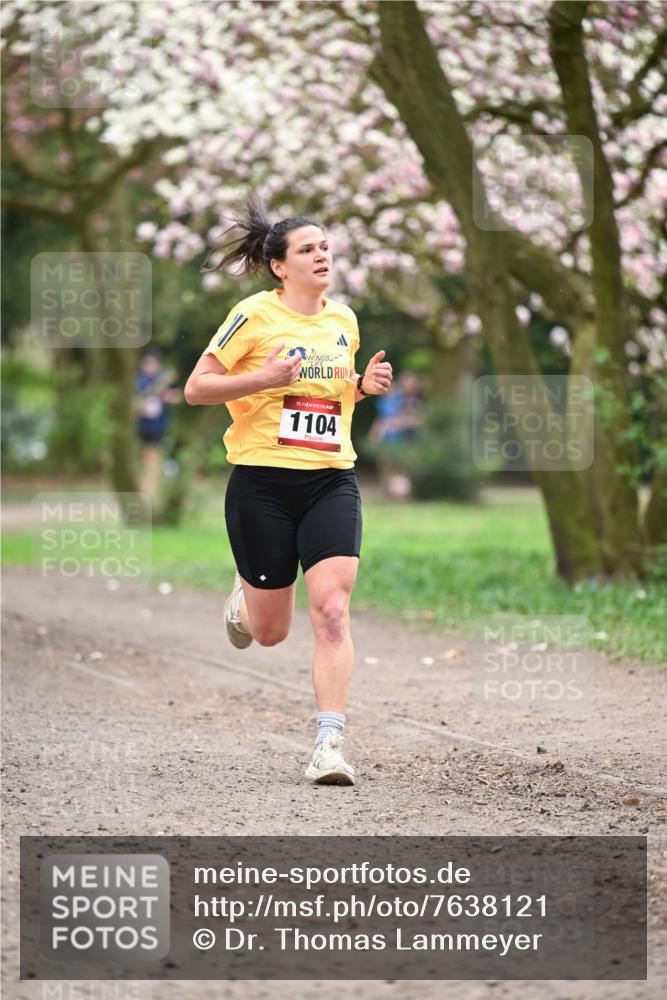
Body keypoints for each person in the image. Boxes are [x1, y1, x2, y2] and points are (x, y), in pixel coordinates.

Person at [184, 194, 393, 785]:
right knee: (271, 632)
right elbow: (197, 389)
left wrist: (363, 385)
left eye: (325, 246)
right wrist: (264, 377)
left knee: (331, 611)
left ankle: (329, 746)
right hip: (262, 485)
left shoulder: (343, 320)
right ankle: (245, 597)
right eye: (308, 249)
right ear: (280, 265)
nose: (321, 255)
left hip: (331, 480)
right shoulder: (253, 315)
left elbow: (334, 392)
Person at [135, 348, 181, 501]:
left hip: (159, 426)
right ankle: (146, 489)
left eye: (153, 364)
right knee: (147, 458)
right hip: (142, 426)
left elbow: (178, 396)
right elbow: (135, 403)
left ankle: (149, 490)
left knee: (153, 457)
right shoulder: (140, 380)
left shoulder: (164, 378)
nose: (150, 367)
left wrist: (168, 396)